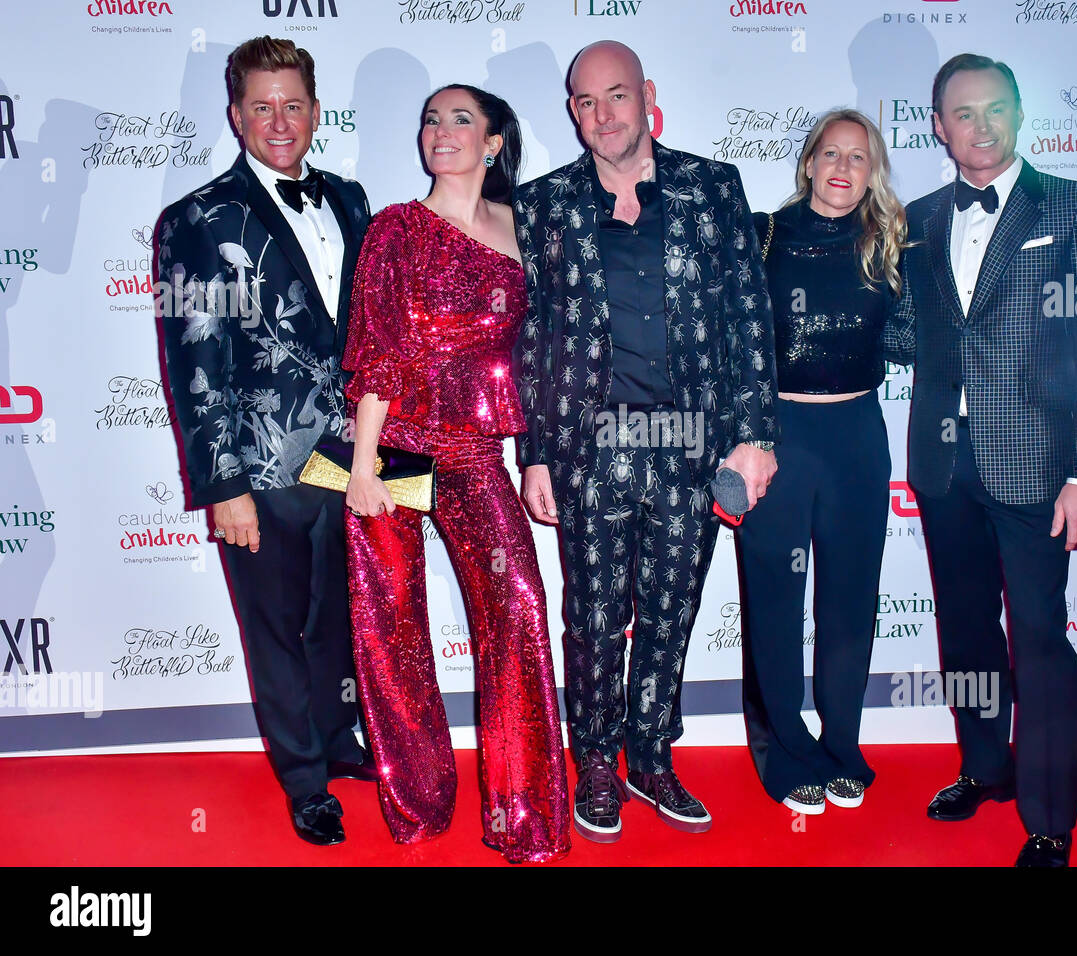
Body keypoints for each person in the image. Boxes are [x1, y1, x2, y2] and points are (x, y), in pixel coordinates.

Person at [512, 40, 779, 843]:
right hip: (590, 444)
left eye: (616, 96)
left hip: (692, 443)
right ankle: (594, 759)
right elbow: (532, 337)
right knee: (593, 617)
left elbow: (748, 317)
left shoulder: (711, 188)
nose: (603, 116)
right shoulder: (544, 203)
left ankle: (652, 754)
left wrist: (756, 434)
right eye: (586, 103)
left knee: (672, 609)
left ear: (647, 95)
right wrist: (533, 450)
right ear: (572, 112)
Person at [884, 54, 1077, 866]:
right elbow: (910, 335)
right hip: (945, 467)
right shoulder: (917, 217)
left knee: (1039, 637)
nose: (980, 126)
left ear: (1019, 113)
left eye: (995, 109)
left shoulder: (1073, 203)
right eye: (962, 112)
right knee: (964, 634)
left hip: (1039, 467)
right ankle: (985, 768)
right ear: (937, 125)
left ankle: (1052, 816)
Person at [155, 36, 375, 847]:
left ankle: (339, 738)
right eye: (261, 106)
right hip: (261, 464)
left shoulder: (351, 199)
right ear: (236, 115)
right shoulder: (195, 219)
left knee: (341, 618)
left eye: (292, 105)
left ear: (315, 111)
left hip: (352, 458)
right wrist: (224, 486)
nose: (278, 121)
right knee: (277, 625)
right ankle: (304, 777)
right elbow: (194, 361)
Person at [342, 84, 569, 864]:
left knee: (518, 608)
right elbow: (377, 348)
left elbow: (537, 358)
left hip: (475, 454)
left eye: (460, 120)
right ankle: (419, 799)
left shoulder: (524, 230)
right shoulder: (396, 228)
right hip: (396, 448)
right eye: (430, 118)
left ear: (496, 141)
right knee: (393, 630)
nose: (441, 131)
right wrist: (365, 463)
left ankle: (523, 815)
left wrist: (537, 448)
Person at [739, 110, 903, 815]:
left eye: (857, 157)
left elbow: (922, 340)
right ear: (807, 163)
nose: (841, 167)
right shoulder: (762, 233)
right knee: (775, 601)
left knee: (849, 603)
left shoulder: (891, 243)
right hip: (777, 433)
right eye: (829, 154)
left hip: (858, 434)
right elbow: (730, 341)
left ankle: (843, 747)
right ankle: (784, 753)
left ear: (873, 172)